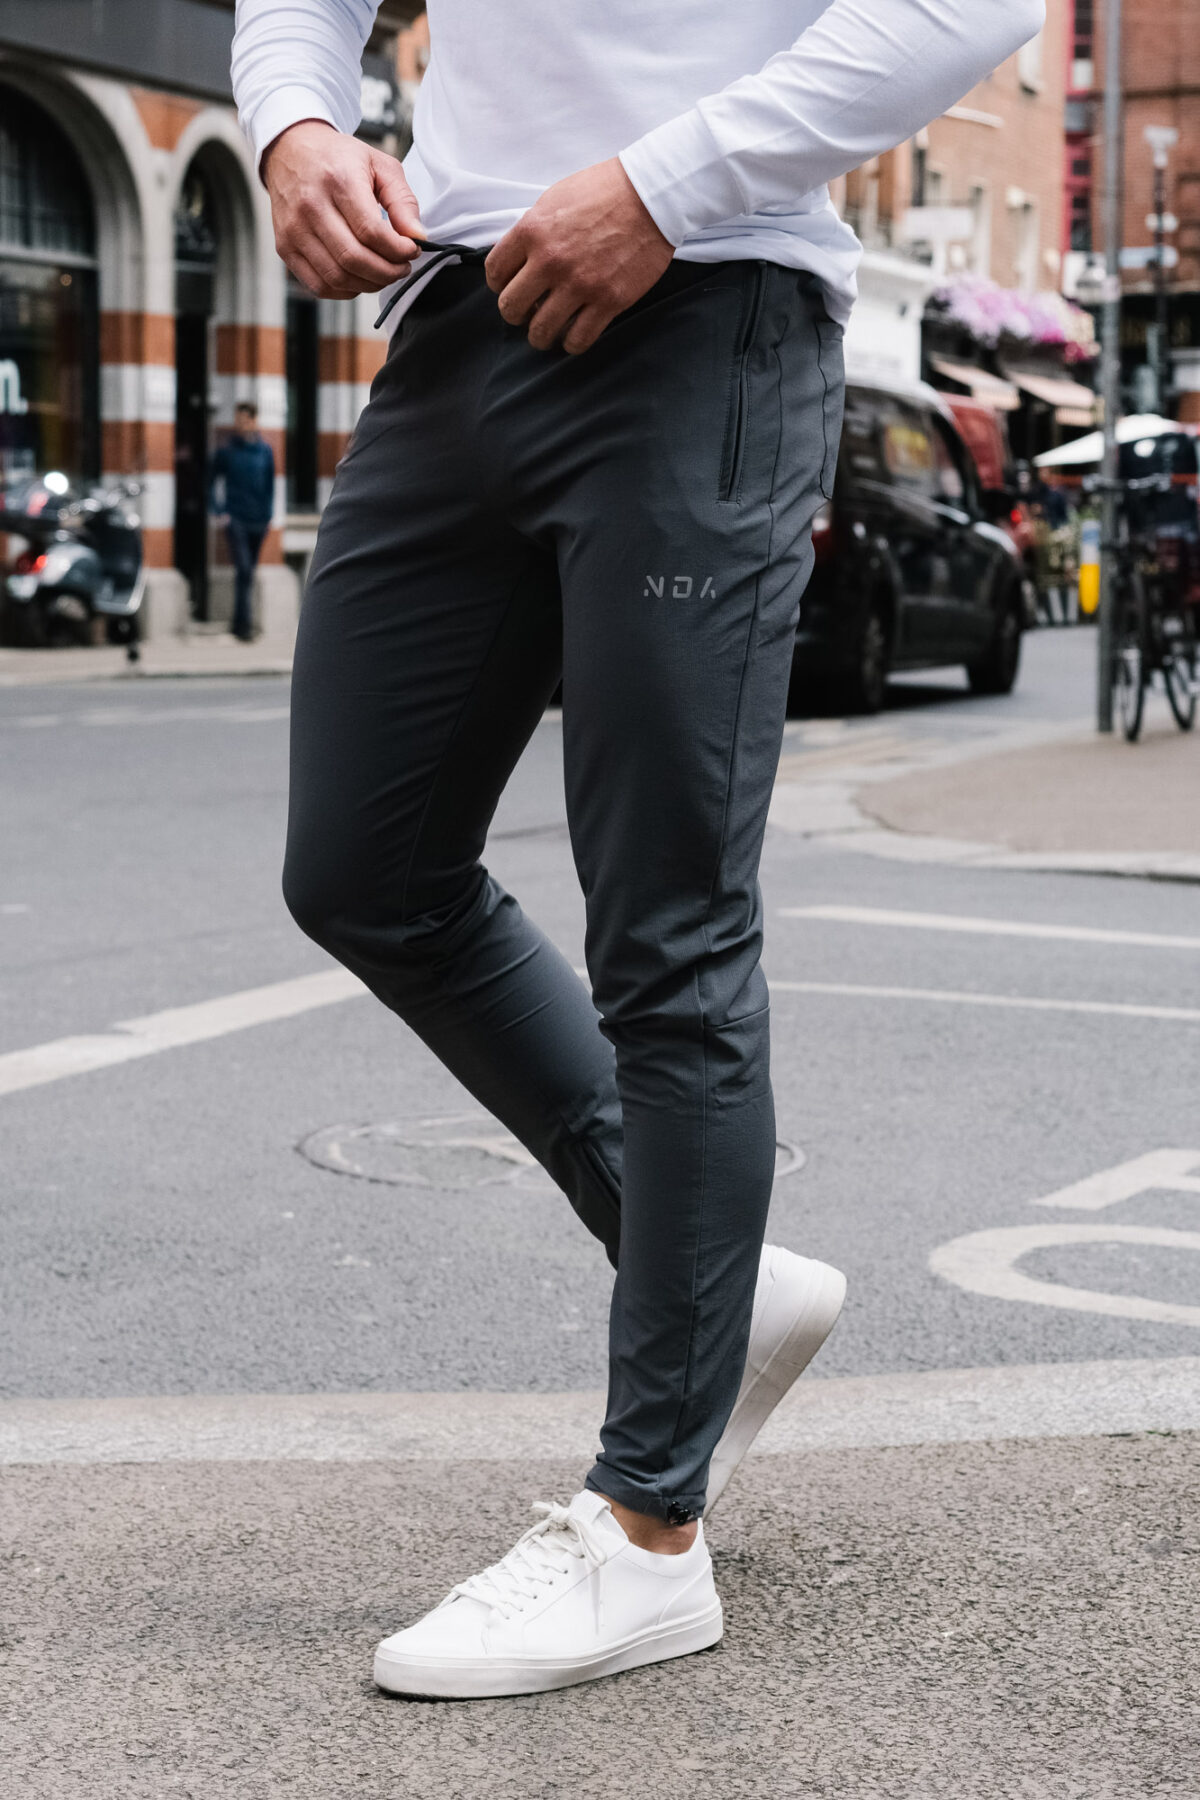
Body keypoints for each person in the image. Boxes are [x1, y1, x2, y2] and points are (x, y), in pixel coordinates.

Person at [232, 0, 1045, 1700]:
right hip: (456, 306)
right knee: (363, 867)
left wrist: (672, 182)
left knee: (667, 929)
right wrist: (296, 123)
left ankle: (647, 1536)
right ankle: (718, 1293)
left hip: (707, 303)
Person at [209, 400, 275, 641]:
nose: (240, 424)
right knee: (244, 569)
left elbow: (270, 485)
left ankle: (241, 624)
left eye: (245, 420)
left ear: (254, 421)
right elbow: (210, 481)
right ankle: (244, 628)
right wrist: (220, 511)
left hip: (259, 520)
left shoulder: (265, 451)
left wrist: (269, 514)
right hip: (236, 518)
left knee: (248, 573)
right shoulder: (227, 451)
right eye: (238, 420)